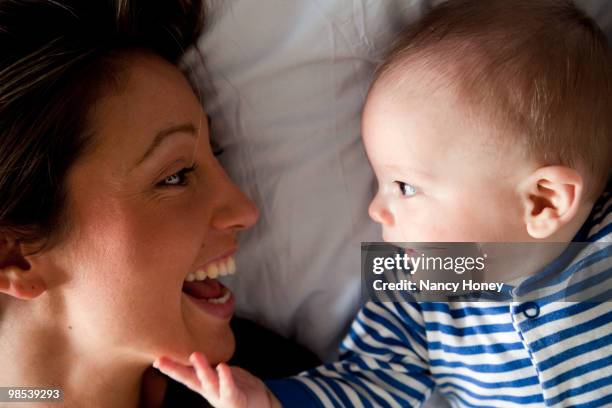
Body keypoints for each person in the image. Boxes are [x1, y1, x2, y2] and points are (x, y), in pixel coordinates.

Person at [155, 0, 612, 406]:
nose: (375, 211)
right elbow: (372, 377)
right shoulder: (425, 279)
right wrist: (272, 398)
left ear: (543, 201)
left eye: (405, 187)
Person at [0, 1, 272, 406]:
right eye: (176, 176)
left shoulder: (287, 389)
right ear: (16, 255)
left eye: (214, 153)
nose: (245, 211)